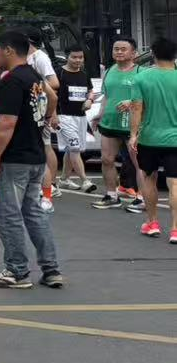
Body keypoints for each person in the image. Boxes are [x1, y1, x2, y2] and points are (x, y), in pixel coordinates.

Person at [0, 31, 65, 290]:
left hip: (14, 158)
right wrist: (44, 120)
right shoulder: (33, 76)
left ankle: (17, 271)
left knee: (9, 215)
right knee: (34, 213)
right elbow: (52, 98)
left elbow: (7, 122)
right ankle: (51, 269)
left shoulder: (13, 80)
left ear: (8, 50)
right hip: (35, 156)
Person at [130, 37, 177, 244]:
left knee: (149, 179)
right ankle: (175, 229)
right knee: (174, 183)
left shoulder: (141, 78)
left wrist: (133, 134)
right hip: (175, 140)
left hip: (149, 138)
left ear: (153, 54)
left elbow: (136, 109)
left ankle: (152, 222)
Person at [95, 33, 142, 210]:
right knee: (106, 160)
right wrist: (99, 115)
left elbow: (148, 98)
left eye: (123, 49)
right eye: (116, 49)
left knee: (139, 163)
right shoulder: (108, 71)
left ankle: (142, 198)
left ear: (133, 53)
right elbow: (106, 97)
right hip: (110, 123)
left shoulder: (141, 73)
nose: (119, 52)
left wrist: (131, 102)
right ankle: (111, 195)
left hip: (132, 125)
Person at [54, 47, 97, 194]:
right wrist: (53, 115)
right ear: (67, 57)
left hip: (80, 117)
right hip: (63, 117)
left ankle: (64, 179)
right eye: (74, 57)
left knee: (71, 148)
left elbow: (90, 90)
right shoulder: (59, 73)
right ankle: (85, 181)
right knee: (74, 147)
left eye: (80, 57)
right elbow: (52, 94)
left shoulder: (84, 74)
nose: (78, 60)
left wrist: (90, 100)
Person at [26, 30, 61, 210]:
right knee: (39, 147)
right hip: (31, 107)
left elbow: (54, 83)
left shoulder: (40, 57)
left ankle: (50, 186)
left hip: (41, 108)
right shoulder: (26, 57)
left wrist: (34, 83)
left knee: (44, 147)